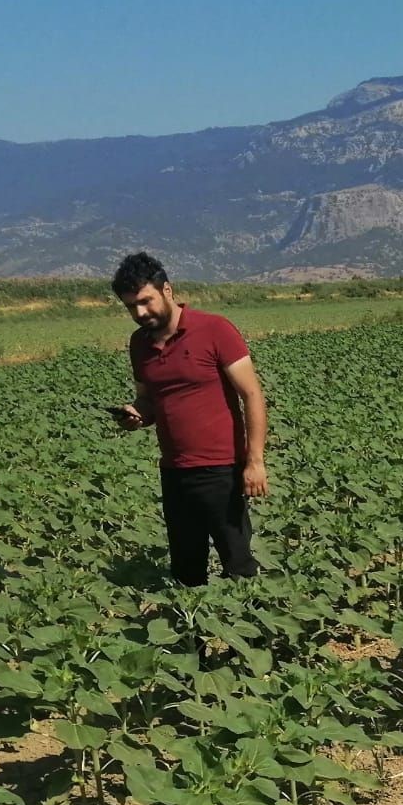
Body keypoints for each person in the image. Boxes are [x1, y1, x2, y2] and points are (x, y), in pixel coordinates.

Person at [108, 251, 269, 586]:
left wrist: (255, 461)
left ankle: (251, 637)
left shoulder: (214, 329)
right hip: (174, 470)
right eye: (131, 307)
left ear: (167, 290)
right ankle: (194, 639)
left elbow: (252, 395)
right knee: (185, 566)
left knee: (237, 562)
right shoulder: (140, 344)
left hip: (220, 468)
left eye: (145, 301)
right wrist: (136, 415)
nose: (140, 313)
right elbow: (147, 400)